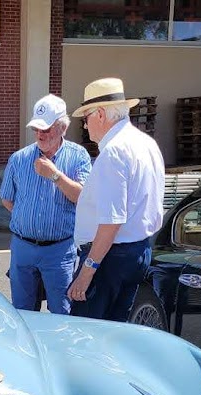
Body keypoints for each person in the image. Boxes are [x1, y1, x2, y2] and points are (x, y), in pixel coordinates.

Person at [65, 77, 165, 322]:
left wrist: (87, 271)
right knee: (116, 329)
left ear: (100, 114)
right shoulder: (146, 143)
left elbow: (112, 221)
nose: (85, 125)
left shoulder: (114, 151)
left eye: (86, 117)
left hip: (109, 257)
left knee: (87, 331)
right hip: (136, 250)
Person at [0, 94, 91, 315]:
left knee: (62, 312)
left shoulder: (78, 156)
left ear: (63, 128)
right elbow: (7, 198)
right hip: (23, 247)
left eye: (46, 129)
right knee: (22, 312)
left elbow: (82, 198)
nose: (40, 134)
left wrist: (55, 175)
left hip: (59, 250)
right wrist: (27, 218)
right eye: (36, 129)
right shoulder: (19, 159)